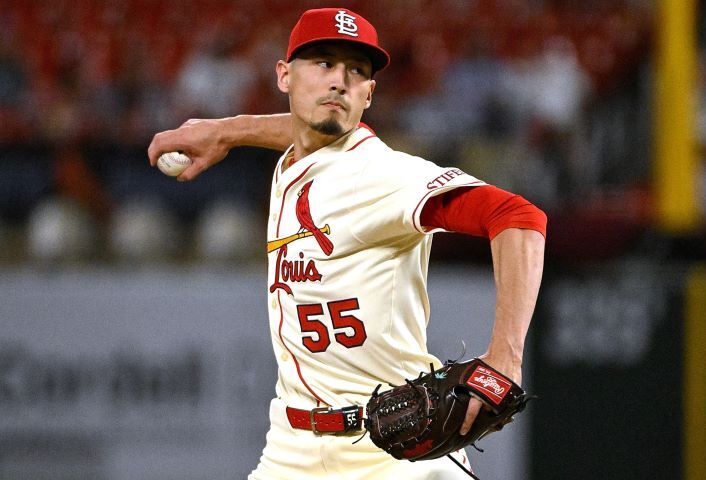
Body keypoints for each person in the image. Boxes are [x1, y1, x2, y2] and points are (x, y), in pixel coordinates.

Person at [148, 7, 546, 480]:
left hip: (391, 452)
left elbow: (517, 217)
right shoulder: (299, 157)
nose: (339, 81)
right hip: (291, 446)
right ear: (284, 76)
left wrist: (506, 356)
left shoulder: (378, 174)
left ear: (368, 94)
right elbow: (303, 129)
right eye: (323, 63)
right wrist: (226, 131)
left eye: (356, 71)